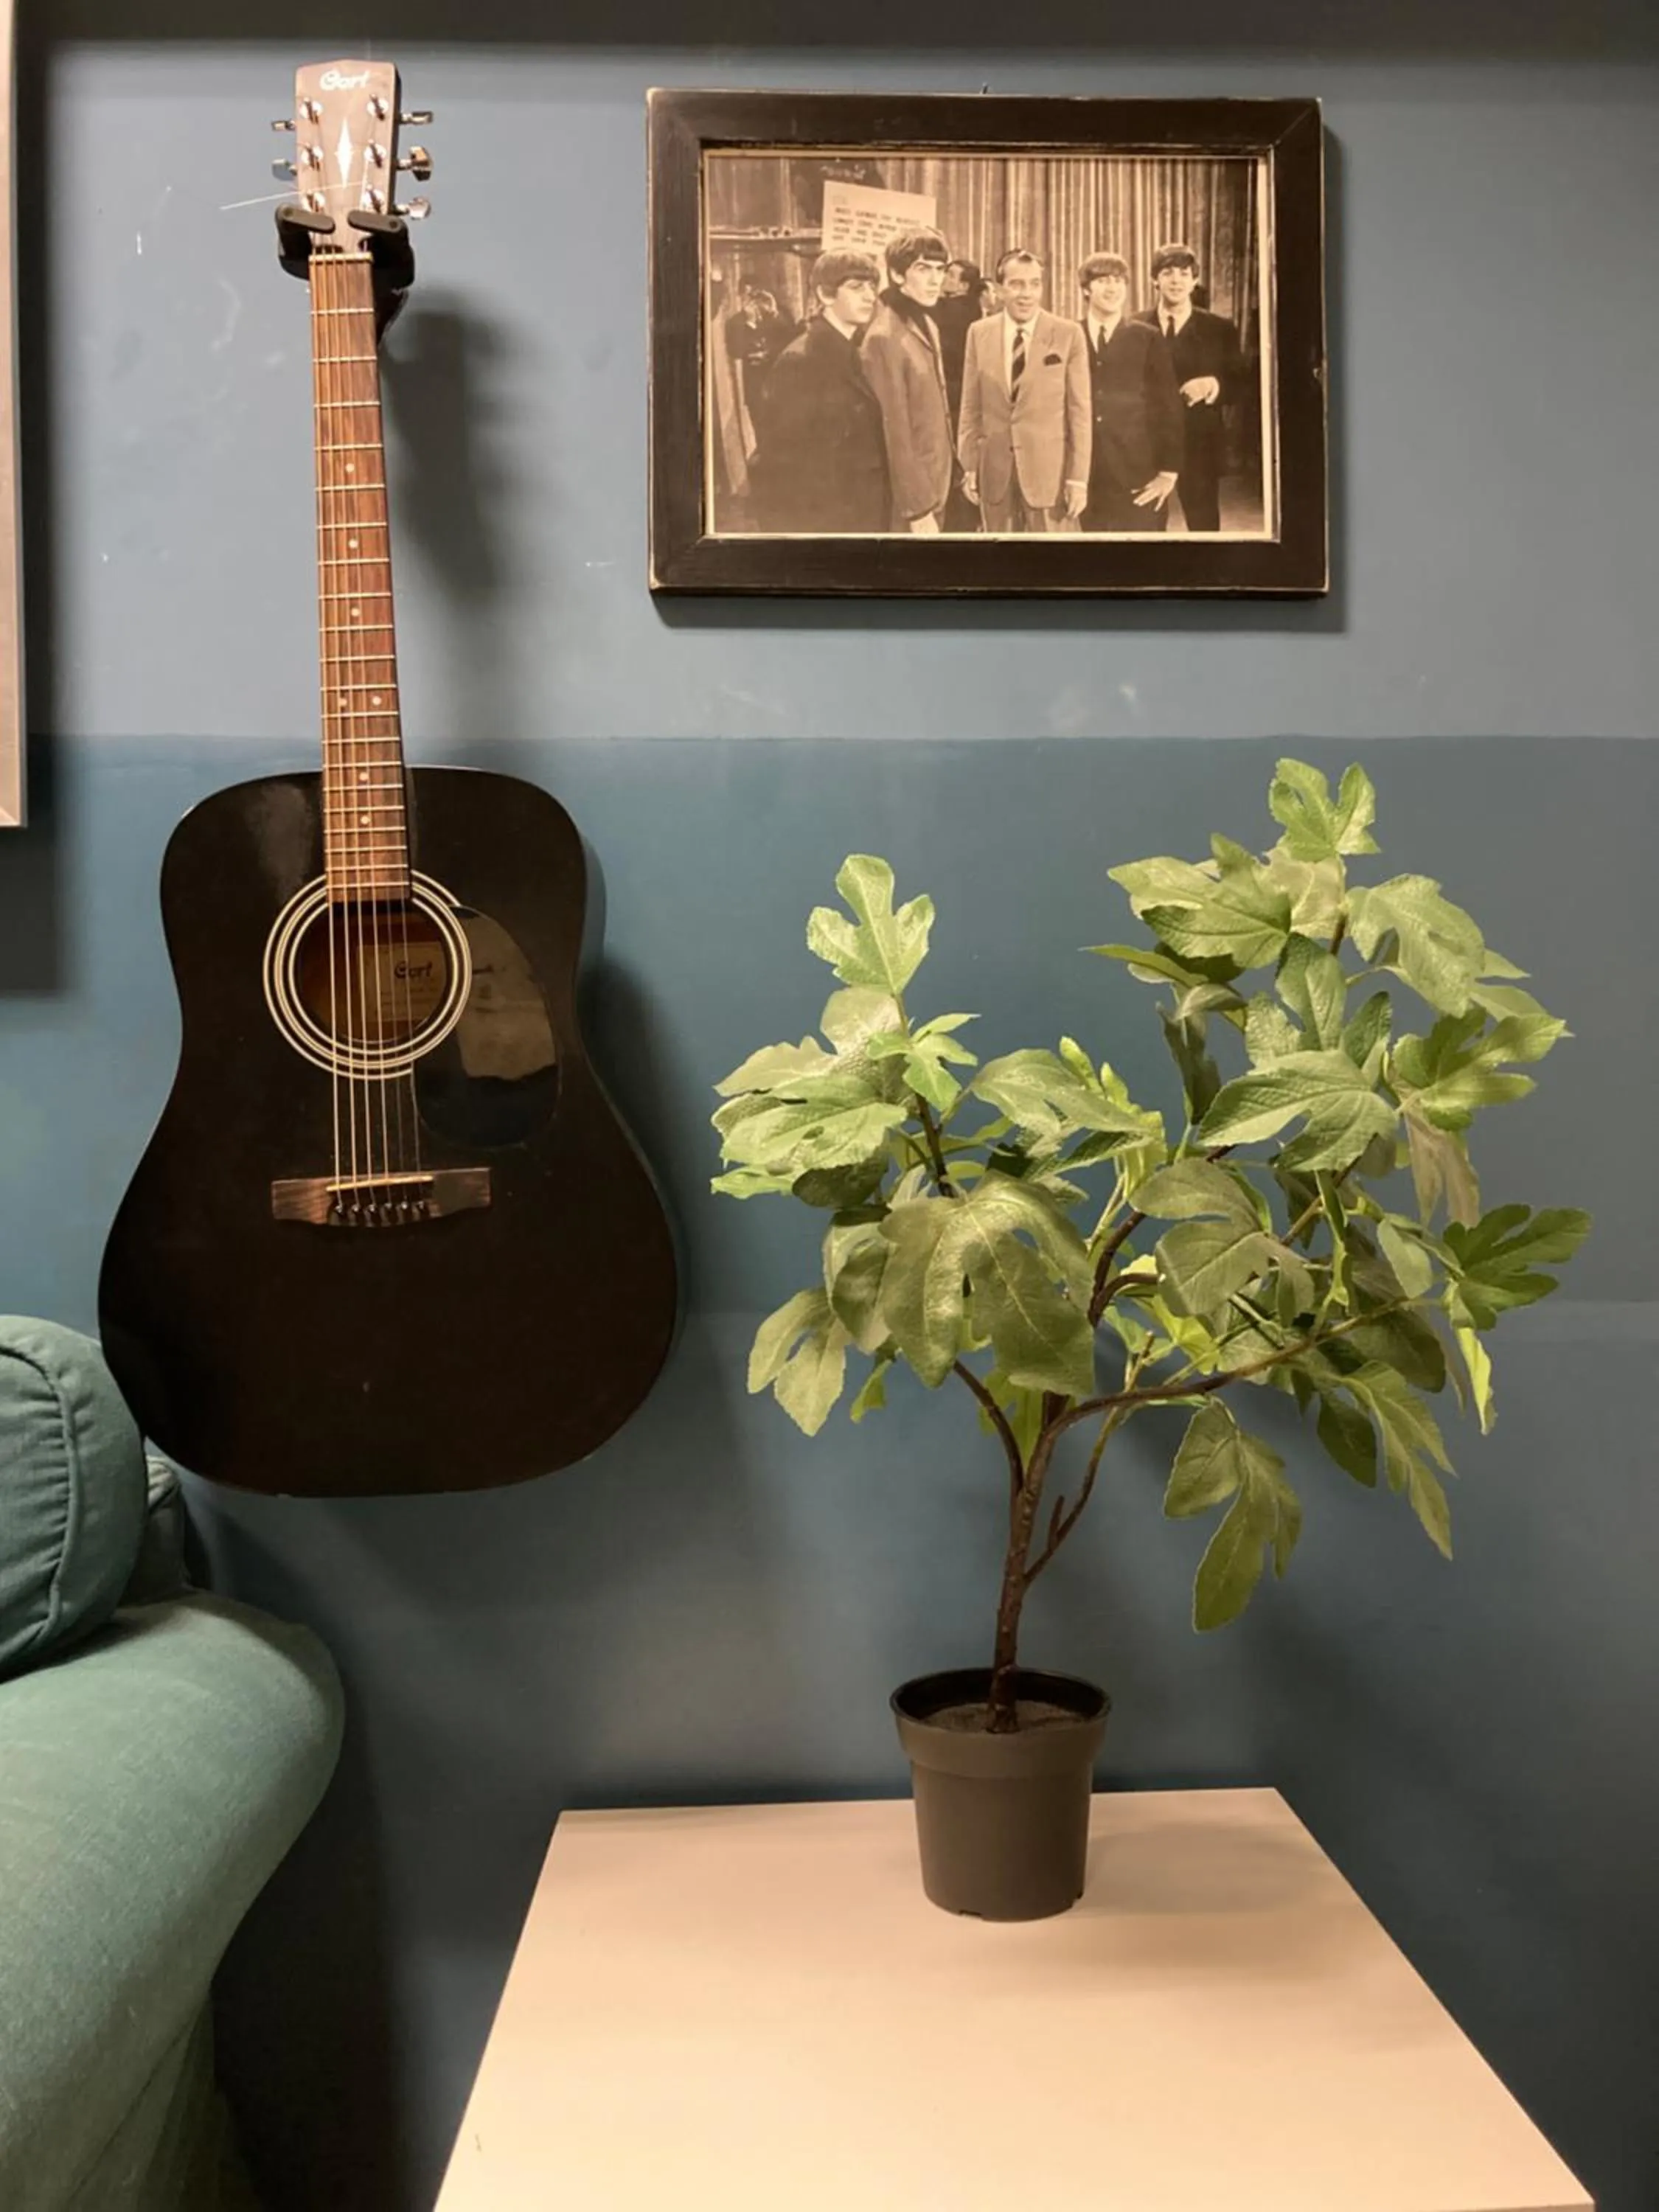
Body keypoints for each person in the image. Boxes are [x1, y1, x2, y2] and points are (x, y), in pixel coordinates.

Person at [748, 251, 888, 535]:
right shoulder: (802, 361)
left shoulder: (851, 348)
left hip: (859, 517)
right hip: (830, 523)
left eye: (872, 287)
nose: (870, 296)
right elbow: (783, 466)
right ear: (825, 295)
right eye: (856, 287)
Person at [957, 248, 1091, 532]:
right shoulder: (978, 333)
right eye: (1016, 284)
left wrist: (1078, 479)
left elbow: (1080, 413)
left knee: (1050, 568)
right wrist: (969, 465)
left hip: (1050, 479)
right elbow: (971, 407)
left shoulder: (1068, 334)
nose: (1026, 294)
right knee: (1000, 568)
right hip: (995, 474)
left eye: (1034, 284)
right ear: (1000, 288)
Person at [1135, 243, 1244, 532]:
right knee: (1146, 525)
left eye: (1184, 274)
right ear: (1154, 280)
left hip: (1199, 445)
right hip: (1148, 446)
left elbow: (1241, 384)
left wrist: (1212, 385)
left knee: (1204, 527)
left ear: (1195, 281)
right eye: (1167, 273)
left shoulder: (1220, 328)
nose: (1176, 281)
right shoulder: (1133, 326)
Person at [1076, 251, 1182, 532]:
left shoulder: (1148, 337)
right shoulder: (1069, 335)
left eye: (1119, 280)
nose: (1112, 288)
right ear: (1086, 289)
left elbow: (1169, 407)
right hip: (1084, 479)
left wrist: (1168, 474)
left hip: (1138, 476)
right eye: (1103, 280)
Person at [858, 227, 955, 535]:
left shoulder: (925, 321)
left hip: (938, 480)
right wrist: (917, 508)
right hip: (912, 498)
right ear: (898, 276)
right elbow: (894, 428)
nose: (935, 280)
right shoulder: (884, 336)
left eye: (940, 270)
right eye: (923, 269)